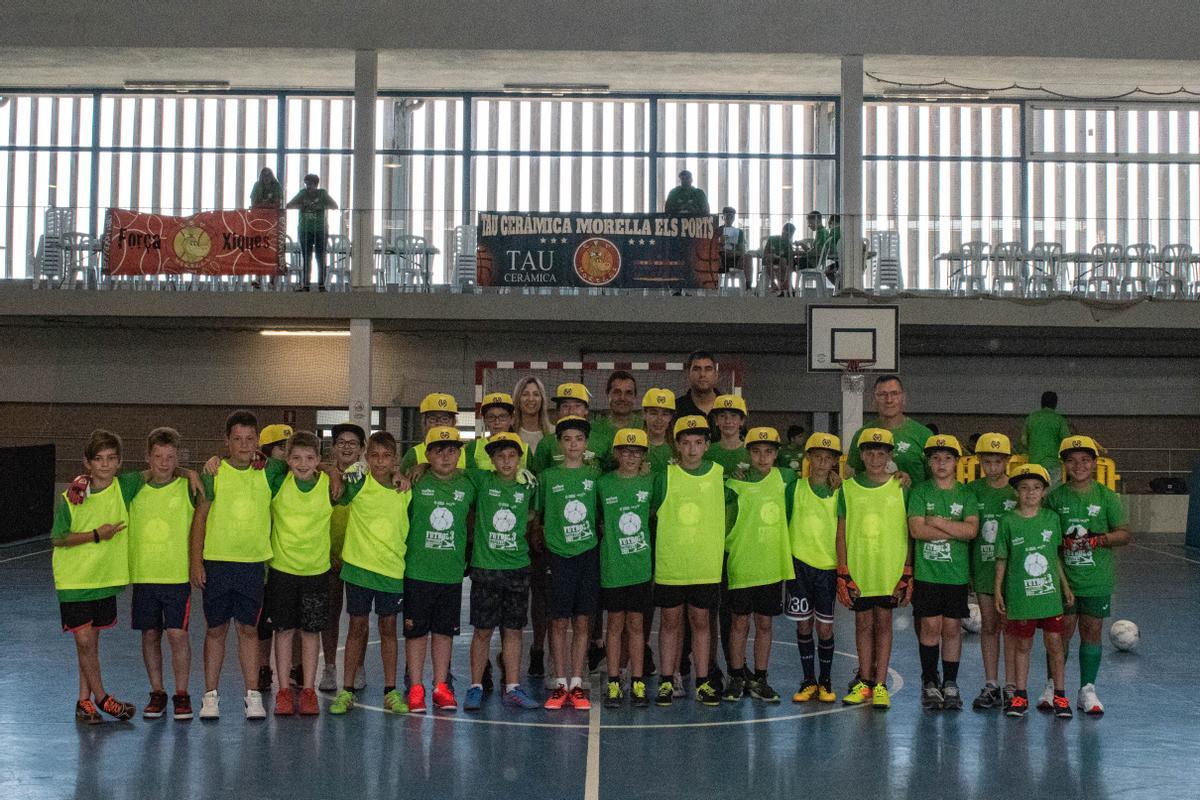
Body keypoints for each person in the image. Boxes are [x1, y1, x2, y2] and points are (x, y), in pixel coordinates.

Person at [190, 410, 275, 721]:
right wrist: (195, 561)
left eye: (249, 439)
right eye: (237, 439)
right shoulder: (213, 473)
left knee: (248, 630)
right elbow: (200, 518)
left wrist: (333, 473)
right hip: (217, 564)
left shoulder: (268, 472)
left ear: (257, 442)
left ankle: (253, 695)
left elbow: (306, 464)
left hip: (252, 565)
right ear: (226, 441)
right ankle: (210, 696)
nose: (243, 444)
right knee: (215, 630)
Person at [51, 430, 137, 724]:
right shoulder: (72, 495)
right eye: (98, 459)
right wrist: (98, 535)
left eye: (111, 458)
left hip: (103, 580)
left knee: (89, 643)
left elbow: (158, 469)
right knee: (85, 641)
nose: (105, 464)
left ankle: (83, 701)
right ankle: (102, 698)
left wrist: (190, 471)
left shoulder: (124, 487)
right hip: (74, 581)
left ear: (119, 462)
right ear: (87, 463)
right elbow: (58, 538)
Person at [1043, 435, 1130, 716]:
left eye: (1084, 460)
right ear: (1065, 465)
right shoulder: (1055, 498)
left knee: (1091, 631)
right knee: (1061, 633)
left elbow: (1124, 534)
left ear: (1094, 463)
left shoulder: (1107, 497)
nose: (1078, 465)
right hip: (1064, 580)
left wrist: (1097, 540)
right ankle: (1052, 686)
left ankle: (1087, 689)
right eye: (1072, 460)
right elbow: (1046, 536)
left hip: (1096, 579)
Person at [329, 431, 411, 716]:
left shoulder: (405, 490)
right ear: (366, 457)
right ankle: (347, 690)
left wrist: (411, 474)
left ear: (395, 460)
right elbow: (333, 481)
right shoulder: (358, 484)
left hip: (391, 570)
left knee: (388, 630)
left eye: (386, 456)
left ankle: (390, 691)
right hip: (359, 570)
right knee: (356, 628)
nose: (380, 462)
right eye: (374, 456)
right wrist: (336, 475)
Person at [459, 432, 540, 710]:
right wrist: (419, 467)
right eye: (500, 456)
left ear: (520, 459)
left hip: (517, 568)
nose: (506, 461)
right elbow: (452, 468)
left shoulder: (529, 486)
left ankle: (513, 687)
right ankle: (475, 686)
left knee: (513, 630)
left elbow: (536, 514)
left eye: (512, 456)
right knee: (482, 631)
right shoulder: (482, 480)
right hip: (485, 569)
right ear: (491, 460)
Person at [653, 415, 726, 707]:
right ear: (677, 446)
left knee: (701, 622)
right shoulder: (665, 476)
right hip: (672, 564)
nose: (692, 449)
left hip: (705, 565)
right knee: (670, 622)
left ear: (707, 445)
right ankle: (667, 680)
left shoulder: (720, 474)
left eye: (698, 442)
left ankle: (703, 680)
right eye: (686, 443)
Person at [403, 426, 477, 713]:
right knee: (416, 633)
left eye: (451, 450)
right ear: (427, 454)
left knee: (444, 633)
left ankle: (441, 686)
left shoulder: (469, 484)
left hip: (450, 573)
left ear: (459, 454)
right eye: (438, 450)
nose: (445, 456)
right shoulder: (414, 482)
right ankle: (417, 687)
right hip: (418, 571)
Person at [264, 431, 338, 717]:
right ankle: (283, 689)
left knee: (310, 633)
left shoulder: (329, 486)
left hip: (316, 572)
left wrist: (331, 471)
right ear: (287, 459)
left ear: (319, 460)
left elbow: (358, 473)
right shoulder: (278, 482)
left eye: (309, 458)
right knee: (283, 633)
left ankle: (308, 690)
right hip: (283, 571)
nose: (303, 463)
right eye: (296, 458)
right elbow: (252, 459)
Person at [127, 427, 199, 721]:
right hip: (144, 575)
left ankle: (181, 693)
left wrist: (189, 472)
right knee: (150, 633)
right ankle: (157, 691)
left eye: (171, 457)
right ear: (148, 457)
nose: (165, 462)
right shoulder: (134, 488)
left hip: (176, 576)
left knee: (177, 634)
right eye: (158, 456)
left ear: (177, 458)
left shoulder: (188, 487)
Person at [837, 428, 911, 710]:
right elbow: (841, 531)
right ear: (862, 455)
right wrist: (843, 569)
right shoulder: (848, 488)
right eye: (869, 452)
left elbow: (908, 529)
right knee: (863, 625)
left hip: (889, 571)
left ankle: (880, 684)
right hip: (861, 570)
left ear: (890, 456)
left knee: (884, 624)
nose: (875, 458)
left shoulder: (900, 486)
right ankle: (865, 682)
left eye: (881, 453)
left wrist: (907, 569)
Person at [721, 427, 795, 704]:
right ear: (748, 453)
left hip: (771, 566)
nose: (762, 457)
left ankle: (760, 678)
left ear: (776, 454)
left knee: (765, 623)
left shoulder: (786, 478)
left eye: (768, 452)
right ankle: (737, 675)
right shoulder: (735, 484)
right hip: (742, 563)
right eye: (756, 451)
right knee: (739, 623)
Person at [995, 464, 1073, 719]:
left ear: (1044, 491)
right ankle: (1020, 695)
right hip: (1021, 595)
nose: (1030, 493)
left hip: (1049, 594)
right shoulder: (1007, 521)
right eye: (1025, 488)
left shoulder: (1051, 519)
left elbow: (1054, 557)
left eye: (1036, 488)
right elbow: (1002, 559)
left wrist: (1065, 586)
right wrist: (998, 590)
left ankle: (1060, 695)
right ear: (1017, 491)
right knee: (1023, 644)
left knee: (1054, 643)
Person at [907, 435, 978, 711]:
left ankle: (950, 682)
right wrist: (952, 527)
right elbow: (916, 530)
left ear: (957, 462)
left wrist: (935, 521)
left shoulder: (966, 494)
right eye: (935, 458)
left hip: (956, 575)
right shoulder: (921, 492)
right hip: (928, 574)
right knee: (930, 627)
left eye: (947, 458)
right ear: (929, 462)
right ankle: (929, 681)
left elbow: (970, 532)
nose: (941, 463)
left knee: (951, 629)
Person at [538, 415, 601, 710]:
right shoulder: (549, 477)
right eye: (567, 439)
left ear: (586, 444)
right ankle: (559, 683)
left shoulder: (594, 477)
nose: (573, 444)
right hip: (558, 556)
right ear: (559, 443)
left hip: (587, 554)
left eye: (578, 439)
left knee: (582, 620)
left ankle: (577, 683)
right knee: (559, 621)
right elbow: (535, 515)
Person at [598, 428, 658, 709]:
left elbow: (656, 513)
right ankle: (613, 680)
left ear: (644, 456)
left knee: (636, 625)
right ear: (616, 454)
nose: (631, 456)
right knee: (615, 626)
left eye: (637, 452)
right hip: (613, 567)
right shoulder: (603, 484)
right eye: (625, 451)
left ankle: (637, 680)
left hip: (640, 568)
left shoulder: (650, 483)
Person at [786, 433, 843, 704]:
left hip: (827, 568)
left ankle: (826, 681)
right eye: (817, 456)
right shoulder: (794, 488)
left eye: (827, 457)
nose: (822, 462)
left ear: (834, 461)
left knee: (825, 629)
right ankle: (808, 679)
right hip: (799, 566)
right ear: (808, 458)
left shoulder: (840, 491)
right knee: (803, 625)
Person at [967, 433, 1018, 710]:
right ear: (979, 461)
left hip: (1013, 573)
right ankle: (991, 683)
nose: (993, 467)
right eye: (987, 461)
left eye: (998, 461)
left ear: (1007, 460)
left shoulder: (1017, 490)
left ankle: (1012, 685)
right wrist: (968, 575)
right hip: (984, 569)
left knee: (1010, 627)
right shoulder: (972, 490)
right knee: (989, 625)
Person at [320, 421, 367, 693]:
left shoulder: (370, 478)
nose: (347, 447)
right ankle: (329, 668)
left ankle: (358, 666)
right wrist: (330, 472)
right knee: (330, 615)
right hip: (329, 559)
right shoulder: (321, 475)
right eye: (341, 443)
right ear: (333, 448)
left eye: (353, 443)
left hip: (360, 559)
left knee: (359, 618)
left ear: (362, 449)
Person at [253, 423, 293, 694]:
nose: (287, 453)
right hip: (264, 559)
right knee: (263, 622)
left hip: (290, 559)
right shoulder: (266, 472)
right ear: (266, 451)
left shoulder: (296, 473)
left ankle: (296, 667)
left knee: (293, 622)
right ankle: (262, 668)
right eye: (282, 447)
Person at [847, 375, 936, 486]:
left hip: (913, 503)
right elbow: (851, 476)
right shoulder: (862, 435)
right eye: (882, 395)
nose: (889, 400)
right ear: (874, 400)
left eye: (894, 394)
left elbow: (935, 480)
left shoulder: (924, 435)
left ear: (903, 398)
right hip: (874, 502)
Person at [530, 383, 612, 473]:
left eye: (577, 406)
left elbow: (609, 478)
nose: (571, 411)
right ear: (558, 411)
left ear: (586, 410)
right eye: (565, 406)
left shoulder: (603, 442)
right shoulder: (546, 444)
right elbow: (539, 478)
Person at [286, 173, 338, 292]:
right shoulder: (302, 194)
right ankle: (306, 284)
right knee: (306, 257)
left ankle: (321, 284)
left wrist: (321, 206)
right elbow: (289, 205)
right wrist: (302, 205)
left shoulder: (322, 194)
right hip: (305, 229)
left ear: (316, 184)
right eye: (306, 184)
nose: (308, 187)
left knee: (320, 257)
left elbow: (334, 205)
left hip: (320, 229)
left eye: (310, 184)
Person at [400, 393, 467, 472]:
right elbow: (400, 479)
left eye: (445, 419)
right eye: (432, 418)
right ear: (424, 422)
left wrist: (426, 466)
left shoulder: (466, 454)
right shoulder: (413, 454)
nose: (439, 423)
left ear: (454, 422)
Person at [465, 392, 529, 472]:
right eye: (491, 417)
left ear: (512, 419)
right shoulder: (474, 447)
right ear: (485, 420)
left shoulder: (525, 449)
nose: (497, 422)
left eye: (502, 417)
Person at [1020, 391, 1072, 486]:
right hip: (1053, 465)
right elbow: (1067, 442)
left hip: (1034, 464)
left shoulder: (1031, 418)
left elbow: (1023, 440)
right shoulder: (1059, 419)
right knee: (1052, 495)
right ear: (1055, 404)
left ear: (1041, 403)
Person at [590, 371, 641, 451]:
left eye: (628, 393)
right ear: (608, 394)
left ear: (635, 397)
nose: (622, 398)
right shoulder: (594, 429)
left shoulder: (645, 427)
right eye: (617, 392)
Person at [705, 394, 750, 475]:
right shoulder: (706, 452)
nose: (728, 421)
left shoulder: (751, 452)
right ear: (716, 420)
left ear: (742, 420)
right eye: (722, 416)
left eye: (733, 416)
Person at [674, 350, 720, 420]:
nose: (702, 374)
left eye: (708, 369)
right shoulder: (675, 410)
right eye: (696, 369)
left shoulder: (731, 409)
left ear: (716, 374)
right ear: (688, 374)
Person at [513, 375, 554, 452]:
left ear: (542, 399)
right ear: (517, 399)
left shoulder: (554, 433)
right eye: (525, 394)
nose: (531, 399)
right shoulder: (510, 433)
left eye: (536, 394)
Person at [641, 388, 676, 473]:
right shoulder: (636, 446)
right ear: (645, 415)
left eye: (665, 414)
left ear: (670, 417)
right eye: (654, 413)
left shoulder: (678, 447)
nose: (659, 419)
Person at [761, 222, 796, 293]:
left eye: (789, 235)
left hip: (782, 262)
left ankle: (782, 284)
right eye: (785, 233)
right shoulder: (772, 239)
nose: (786, 236)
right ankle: (773, 283)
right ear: (782, 231)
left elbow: (790, 259)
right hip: (770, 259)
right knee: (769, 257)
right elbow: (765, 253)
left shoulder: (788, 245)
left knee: (783, 261)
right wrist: (773, 255)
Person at [718, 206, 747, 275]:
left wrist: (733, 252)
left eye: (732, 216)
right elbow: (713, 248)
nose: (730, 218)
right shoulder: (718, 231)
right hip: (721, 257)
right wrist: (721, 245)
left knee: (747, 258)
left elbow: (742, 250)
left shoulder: (739, 232)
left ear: (734, 218)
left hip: (735, 258)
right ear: (723, 217)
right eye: (728, 216)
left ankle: (747, 284)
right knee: (717, 255)